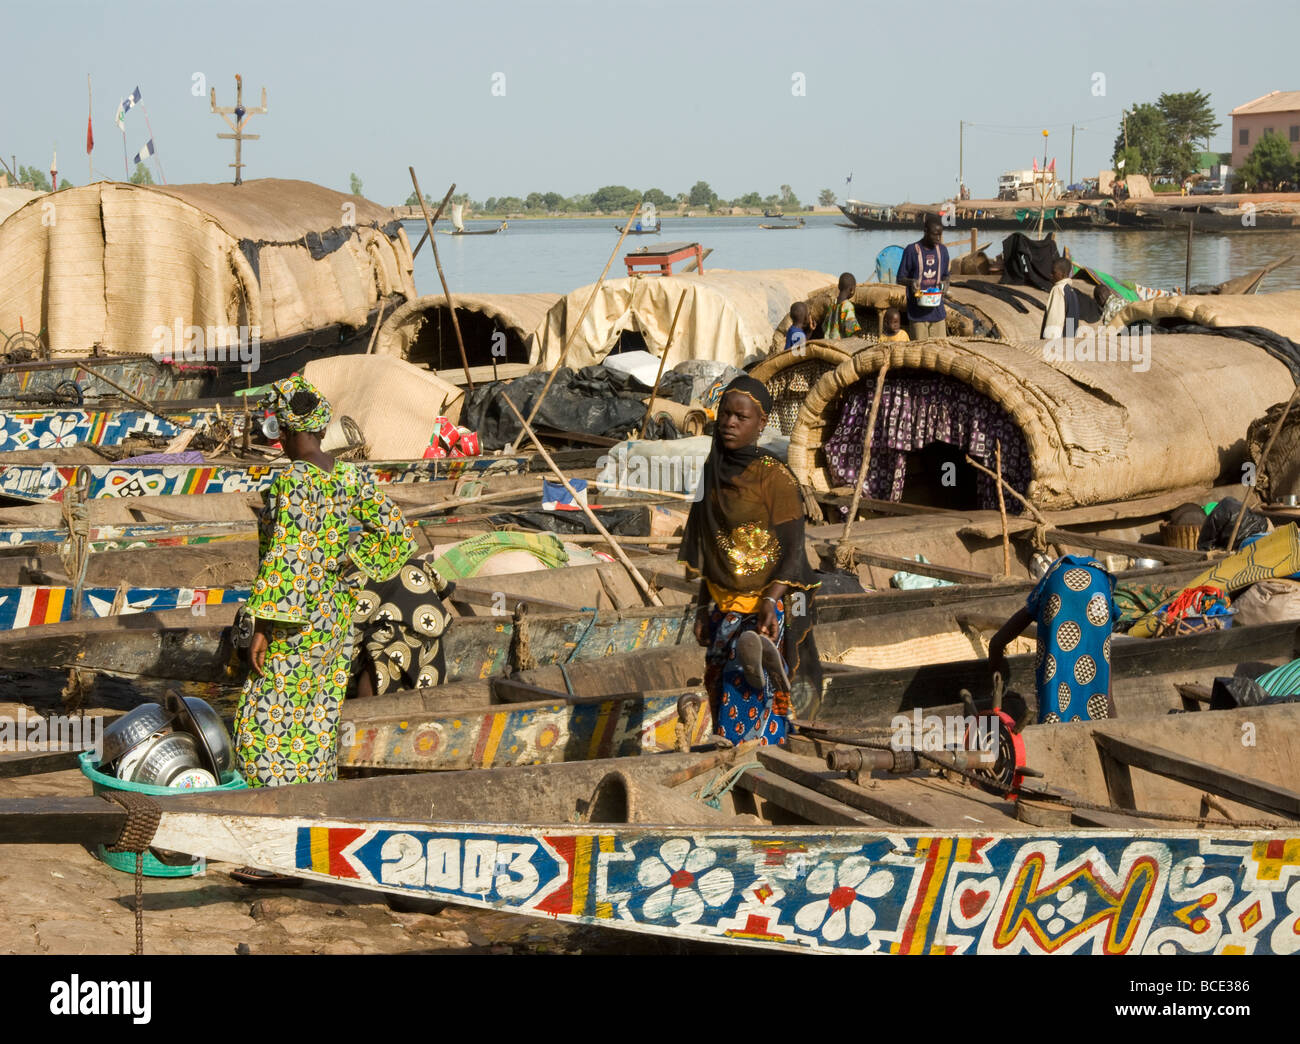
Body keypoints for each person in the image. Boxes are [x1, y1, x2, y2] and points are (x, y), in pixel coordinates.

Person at [233, 375, 426, 792]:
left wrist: (263, 626)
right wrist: (347, 565)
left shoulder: (292, 481)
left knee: (261, 716)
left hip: (294, 617)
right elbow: (396, 533)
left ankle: (268, 796)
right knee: (317, 710)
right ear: (322, 429)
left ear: (282, 432)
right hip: (335, 613)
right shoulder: (349, 477)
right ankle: (312, 791)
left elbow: (289, 554)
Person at [679, 376, 818, 746]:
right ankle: (734, 751)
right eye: (725, 415)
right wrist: (701, 608)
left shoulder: (775, 478)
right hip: (721, 607)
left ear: (760, 424)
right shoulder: (712, 472)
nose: (729, 423)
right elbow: (708, 548)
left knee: (749, 683)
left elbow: (793, 551)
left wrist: (771, 601)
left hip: (763, 609)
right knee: (719, 684)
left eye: (741, 417)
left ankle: (752, 757)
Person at [987, 555, 1117, 723]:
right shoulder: (1102, 586)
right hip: (1099, 586)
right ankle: (1105, 720)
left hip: (1060, 584)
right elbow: (1104, 657)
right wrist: (1115, 722)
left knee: (1056, 661)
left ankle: (1053, 717)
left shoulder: (1050, 582)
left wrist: (995, 684)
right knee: (1098, 654)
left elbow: (998, 641)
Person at [896, 215, 950, 340]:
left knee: (940, 351)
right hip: (917, 315)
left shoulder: (943, 251)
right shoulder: (912, 250)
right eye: (934, 234)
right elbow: (900, 278)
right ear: (925, 231)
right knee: (919, 354)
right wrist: (911, 282)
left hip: (938, 313)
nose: (938, 238)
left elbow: (946, 275)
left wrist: (946, 284)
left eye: (940, 235)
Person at [1041, 257, 1080, 339]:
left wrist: (1048, 341)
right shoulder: (1071, 291)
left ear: (1063, 274)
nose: (1050, 274)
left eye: (1053, 272)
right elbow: (1071, 320)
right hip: (1068, 340)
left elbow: (1054, 318)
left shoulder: (1058, 289)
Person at [821, 273, 863, 340]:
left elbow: (824, 327)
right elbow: (851, 329)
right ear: (852, 290)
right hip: (840, 346)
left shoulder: (832, 305)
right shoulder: (848, 306)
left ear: (839, 287)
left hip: (828, 342)